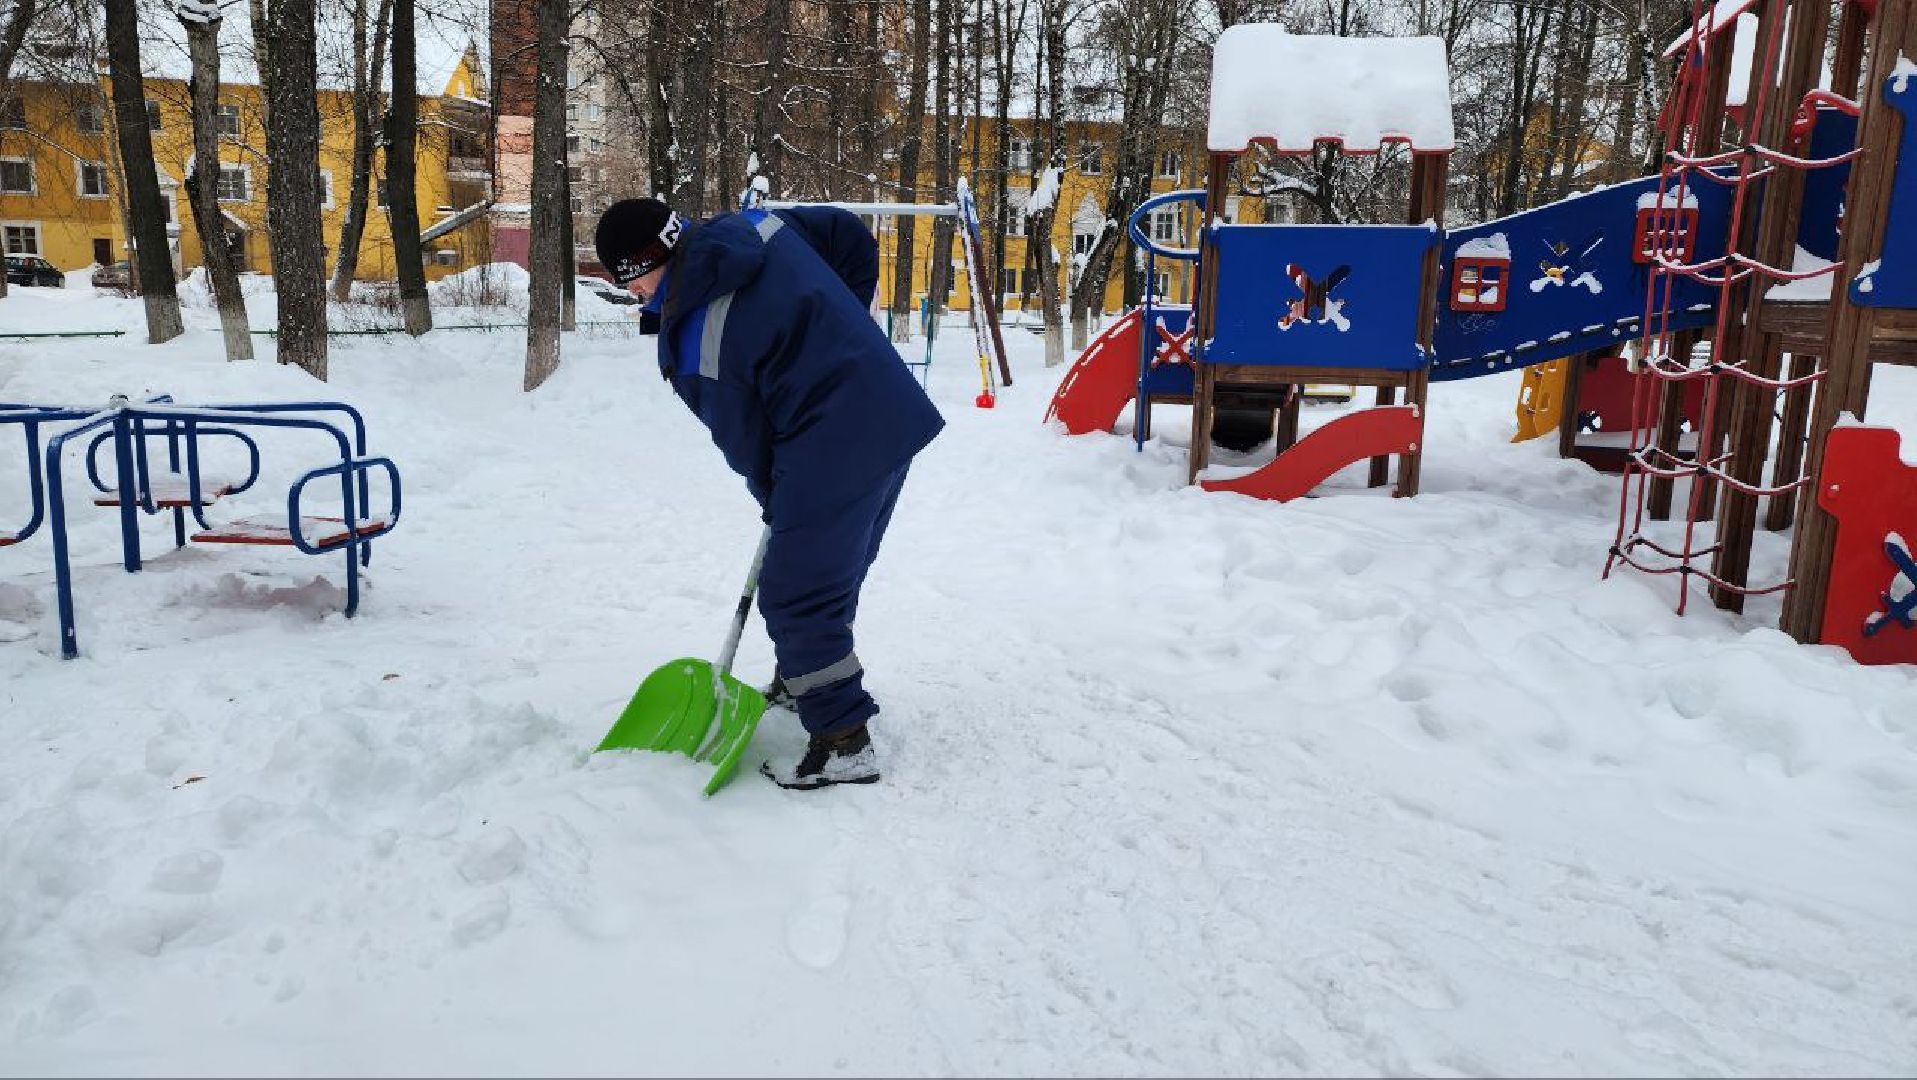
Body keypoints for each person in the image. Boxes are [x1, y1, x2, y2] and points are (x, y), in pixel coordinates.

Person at [594, 196, 944, 790]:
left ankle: (843, 742)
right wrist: (849, 325)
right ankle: (802, 677)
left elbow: (748, 443)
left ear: (642, 265)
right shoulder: (754, 225)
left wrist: (778, 499)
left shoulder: (694, 341)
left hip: (834, 443)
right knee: (827, 570)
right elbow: (848, 236)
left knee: (795, 593)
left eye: (625, 279)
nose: (628, 293)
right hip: (891, 410)